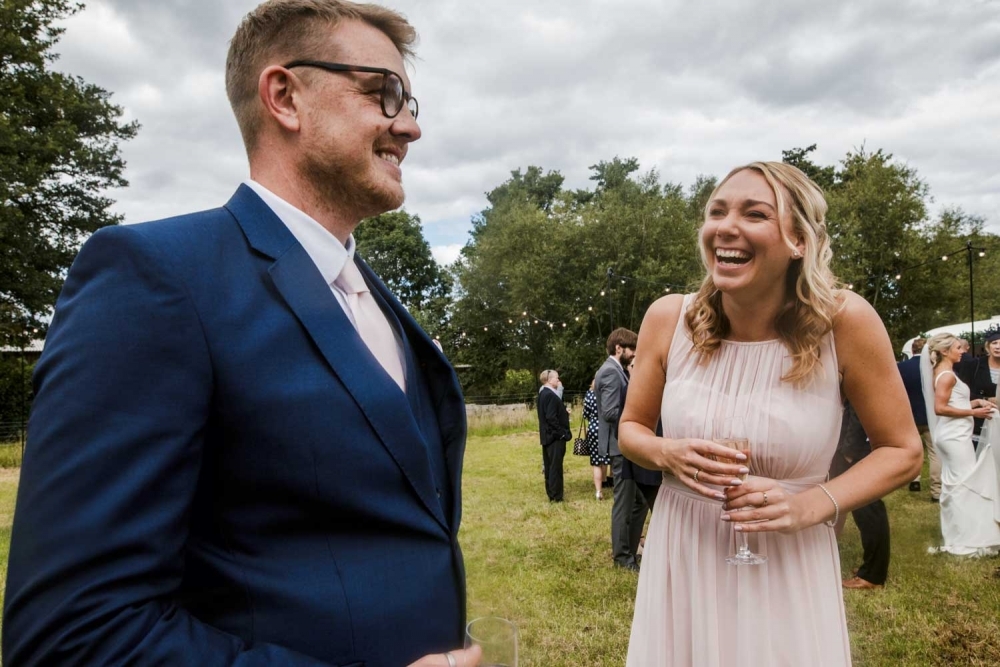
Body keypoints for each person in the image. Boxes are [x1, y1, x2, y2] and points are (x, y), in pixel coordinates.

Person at [3, 3, 481, 666]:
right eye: (384, 93)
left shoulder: (377, 298)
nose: (411, 126)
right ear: (284, 96)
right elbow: (74, 635)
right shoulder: (155, 278)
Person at [620, 161, 921, 666]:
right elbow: (631, 430)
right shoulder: (668, 316)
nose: (726, 227)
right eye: (716, 212)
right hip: (684, 551)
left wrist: (812, 505)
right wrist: (666, 451)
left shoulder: (844, 322)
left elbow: (903, 451)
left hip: (787, 556)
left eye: (754, 213)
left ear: (799, 240)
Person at [920, 333, 1000, 556]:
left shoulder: (947, 373)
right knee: (964, 484)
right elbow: (940, 408)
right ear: (945, 351)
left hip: (956, 434)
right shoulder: (946, 376)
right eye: (958, 347)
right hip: (954, 437)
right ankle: (965, 539)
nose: (963, 350)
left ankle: (959, 533)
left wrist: (974, 402)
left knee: (956, 484)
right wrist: (973, 412)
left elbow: (954, 402)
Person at [597, 327, 647, 572]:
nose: (635, 354)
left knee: (639, 501)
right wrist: (635, 421)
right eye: (632, 349)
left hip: (626, 445)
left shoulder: (619, 371)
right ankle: (622, 558)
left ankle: (630, 547)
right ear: (619, 348)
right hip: (620, 447)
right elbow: (609, 412)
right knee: (624, 503)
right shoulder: (609, 372)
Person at [831, 403, 890, 590]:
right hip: (855, 447)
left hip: (857, 450)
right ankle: (873, 569)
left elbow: (858, 410)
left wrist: (849, 451)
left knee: (868, 509)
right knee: (865, 509)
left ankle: (872, 576)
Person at [899, 337, 941, 499]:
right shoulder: (934, 368)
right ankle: (936, 490)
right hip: (931, 416)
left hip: (910, 416)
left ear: (912, 350)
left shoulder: (902, 367)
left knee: (914, 450)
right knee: (934, 453)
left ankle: (914, 480)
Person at [957, 329, 1000, 446]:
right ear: (988, 346)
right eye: (994, 343)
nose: (998, 347)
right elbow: (961, 391)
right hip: (979, 422)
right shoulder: (974, 365)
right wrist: (984, 400)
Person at [537, 369, 571, 502]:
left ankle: (552, 493)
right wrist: (562, 433)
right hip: (554, 437)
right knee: (555, 467)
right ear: (550, 380)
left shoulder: (543, 394)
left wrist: (563, 411)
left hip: (547, 436)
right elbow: (551, 418)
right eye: (556, 378)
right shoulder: (550, 395)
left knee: (550, 465)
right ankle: (556, 496)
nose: (558, 380)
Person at [584, 378, 611, 500]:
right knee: (607, 457)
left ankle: (598, 491)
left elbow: (585, 414)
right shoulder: (607, 394)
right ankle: (606, 480)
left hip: (593, 428)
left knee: (596, 461)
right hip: (606, 428)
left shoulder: (589, 394)